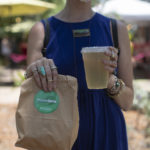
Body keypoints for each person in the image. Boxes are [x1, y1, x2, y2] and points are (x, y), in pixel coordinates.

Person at [26, 0, 134, 149]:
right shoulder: (42, 31)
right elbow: (32, 96)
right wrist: (37, 70)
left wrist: (109, 79)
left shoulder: (116, 29)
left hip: (107, 131)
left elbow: (127, 102)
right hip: (60, 130)